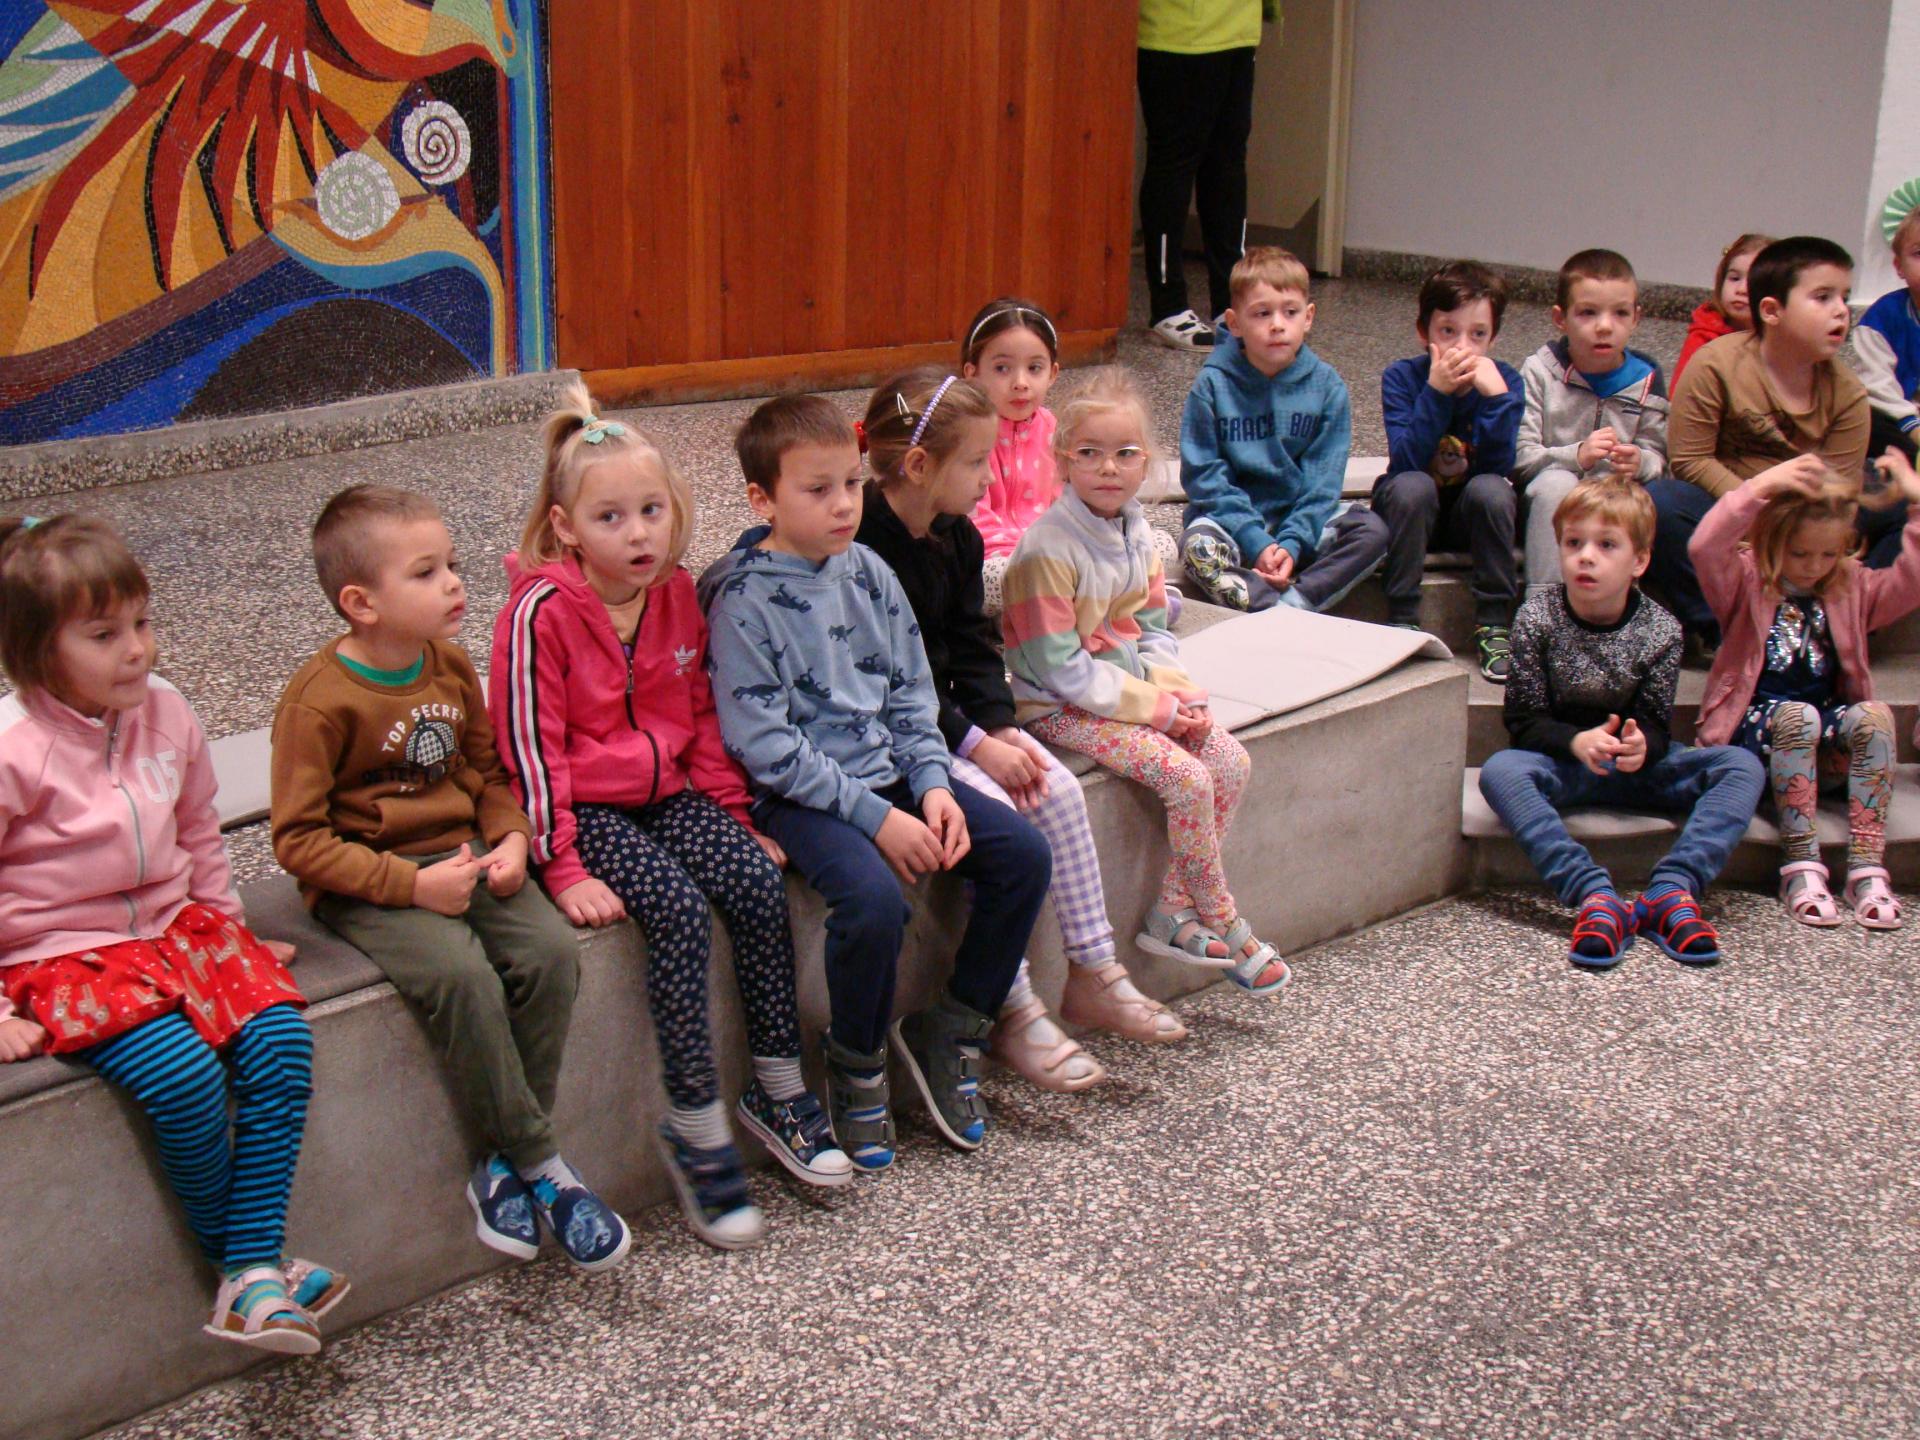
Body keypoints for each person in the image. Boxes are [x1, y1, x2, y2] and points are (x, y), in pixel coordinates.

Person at [491, 387, 849, 1250]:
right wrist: (562, 866)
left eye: (651, 511)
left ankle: (776, 1089)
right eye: (610, 517)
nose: (638, 534)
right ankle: (696, 1129)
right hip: (584, 810)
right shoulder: (539, 613)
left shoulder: (676, 593)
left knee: (754, 882)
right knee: (680, 913)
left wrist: (732, 816)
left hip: (671, 793)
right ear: (566, 527)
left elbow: (698, 715)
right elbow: (530, 749)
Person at [0, 515, 345, 1354]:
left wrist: (231, 934)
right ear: (37, 652)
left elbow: (198, 831)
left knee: (280, 1041)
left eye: (142, 622)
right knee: (182, 1074)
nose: (137, 649)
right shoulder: (13, 747)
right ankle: (255, 1269)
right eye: (103, 635)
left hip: (176, 928)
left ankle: (249, 1275)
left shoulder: (166, 711)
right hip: (62, 950)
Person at [272, 485, 630, 1271]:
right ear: (361, 603)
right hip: (371, 881)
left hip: (466, 853)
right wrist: (411, 887)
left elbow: (486, 772)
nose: (455, 584)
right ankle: (541, 1161)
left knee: (550, 954)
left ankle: (500, 1164)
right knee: (462, 977)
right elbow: (299, 840)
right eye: (427, 573)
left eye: (453, 565)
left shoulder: (451, 663)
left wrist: (510, 838)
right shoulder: (320, 701)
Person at [699, 395, 1052, 1171]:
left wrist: (932, 785)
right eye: (817, 489)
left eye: (852, 484)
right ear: (761, 499)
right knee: (872, 900)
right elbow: (767, 748)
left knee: (1023, 855)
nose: (843, 505)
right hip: (800, 797)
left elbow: (911, 694)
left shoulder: (869, 572)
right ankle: (856, 1064)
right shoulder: (741, 597)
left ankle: (950, 1028)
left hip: (892, 772)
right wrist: (878, 818)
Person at [856, 367, 1189, 1095]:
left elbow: (973, 647)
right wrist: (975, 743)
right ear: (921, 466)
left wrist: (1000, 727)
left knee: (1056, 789)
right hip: (901, 731)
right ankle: (1014, 1006)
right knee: (1003, 815)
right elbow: (890, 682)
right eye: (978, 461)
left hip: (956, 719)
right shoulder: (865, 549)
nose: (992, 477)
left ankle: (1095, 970)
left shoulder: (956, 534)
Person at [1005, 365, 1289, 995]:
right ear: (1063, 459)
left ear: (1146, 463)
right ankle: (1222, 916)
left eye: (1126, 453)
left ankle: (1171, 912)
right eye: (1089, 453)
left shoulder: (1138, 534)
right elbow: (1060, 667)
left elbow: (1154, 631)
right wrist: (1155, 710)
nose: (1108, 467)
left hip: (1124, 694)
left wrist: (1182, 696)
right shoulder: (1048, 548)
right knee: (1187, 777)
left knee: (1230, 760)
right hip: (1056, 704)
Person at [1477, 480, 1765, 970]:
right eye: (1573, 543)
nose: (1586, 557)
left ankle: (1672, 890)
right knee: (1501, 771)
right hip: (1564, 762)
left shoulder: (1661, 628)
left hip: (1636, 768)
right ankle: (1594, 895)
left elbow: (1656, 723)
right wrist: (1575, 741)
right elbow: (1523, 720)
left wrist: (1642, 745)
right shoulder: (1536, 616)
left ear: (1639, 561)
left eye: (1606, 545)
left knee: (1741, 766)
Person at [1689, 451, 1920, 928]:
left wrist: (1916, 502)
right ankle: (1800, 864)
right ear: (1774, 540)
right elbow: (1704, 546)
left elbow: (1911, 583)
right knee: (1798, 716)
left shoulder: (1851, 586)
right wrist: (1760, 486)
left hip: (1821, 746)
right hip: (1754, 742)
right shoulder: (1746, 578)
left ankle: (1867, 867)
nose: (1815, 566)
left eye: (1828, 554)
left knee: (1874, 715)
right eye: (1800, 554)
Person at [1649, 236, 1872, 652]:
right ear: (1771, 310)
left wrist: (1798, 527)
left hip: (1806, 525)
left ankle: (1831, 628)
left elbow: (1839, 496)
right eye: (1822, 297)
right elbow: (1690, 459)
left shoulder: (1849, 395)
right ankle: (1726, 630)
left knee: (1894, 506)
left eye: (1844, 297)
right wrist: (1754, 496)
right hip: (1727, 509)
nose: (1842, 310)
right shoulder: (1714, 364)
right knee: (1661, 503)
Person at [1179, 246, 1388, 614]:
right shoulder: (1212, 385)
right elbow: (1204, 476)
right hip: (1232, 526)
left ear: (1308, 317)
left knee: (1373, 533)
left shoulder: (1328, 388)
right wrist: (1255, 540)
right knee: (1197, 548)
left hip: (1303, 525)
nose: (1277, 324)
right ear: (1234, 323)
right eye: (1262, 313)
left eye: (1290, 312)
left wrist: (1292, 543)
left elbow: (1322, 484)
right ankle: (1262, 604)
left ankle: (1293, 607)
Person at [960, 296, 1181, 610]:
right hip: (999, 559)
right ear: (972, 373)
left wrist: (1089, 543)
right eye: (1002, 368)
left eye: (1034, 368)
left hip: (1063, 553)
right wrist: (1032, 555)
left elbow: (1082, 499)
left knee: (1160, 545)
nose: (1020, 383)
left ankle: (1097, 599)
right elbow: (971, 521)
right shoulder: (967, 436)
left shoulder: (1057, 429)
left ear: (1053, 373)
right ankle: (1102, 602)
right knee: (996, 579)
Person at [1373, 259, 1523, 680]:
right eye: (1448, 331)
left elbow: (1498, 468)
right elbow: (1404, 462)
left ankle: (1494, 621)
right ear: (1424, 332)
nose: (1462, 346)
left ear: (1493, 338)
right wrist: (1436, 392)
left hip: (1465, 519)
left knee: (1493, 490)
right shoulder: (1402, 377)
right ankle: (1402, 617)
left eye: (1477, 334)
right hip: (1409, 512)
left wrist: (1497, 401)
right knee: (1413, 485)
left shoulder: (1505, 381)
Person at [1513, 249, 1670, 598]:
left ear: (1636, 318)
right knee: (1557, 483)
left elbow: (1659, 459)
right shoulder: (1539, 371)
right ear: (1560, 318)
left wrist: (1641, 462)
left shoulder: (1646, 379)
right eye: (1588, 312)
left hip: (1614, 499)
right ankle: (1545, 608)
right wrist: (1577, 455)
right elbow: (1520, 460)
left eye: (1620, 313)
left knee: (1636, 500)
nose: (1604, 326)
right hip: (1547, 502)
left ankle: (1623, 608)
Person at [1136, 0, 1271, 350]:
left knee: (1227, 167)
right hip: (1179, 31)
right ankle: (1168, 306)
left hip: (1239, 26)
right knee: (1174, 163)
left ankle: (1231, 300)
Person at [1851, 207, 1920, 464]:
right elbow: (1876, 384)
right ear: (1899, 266)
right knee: (1865, 420)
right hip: (1901, 422)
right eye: (1919, 254)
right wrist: (1912, 425)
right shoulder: (1881, 318)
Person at [1671, 233, 1772, 390]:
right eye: (1734, 278)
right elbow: (1683, 392)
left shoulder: (1780, 338)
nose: (1741, 289)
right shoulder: (1704, 337)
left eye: (1754, 282)